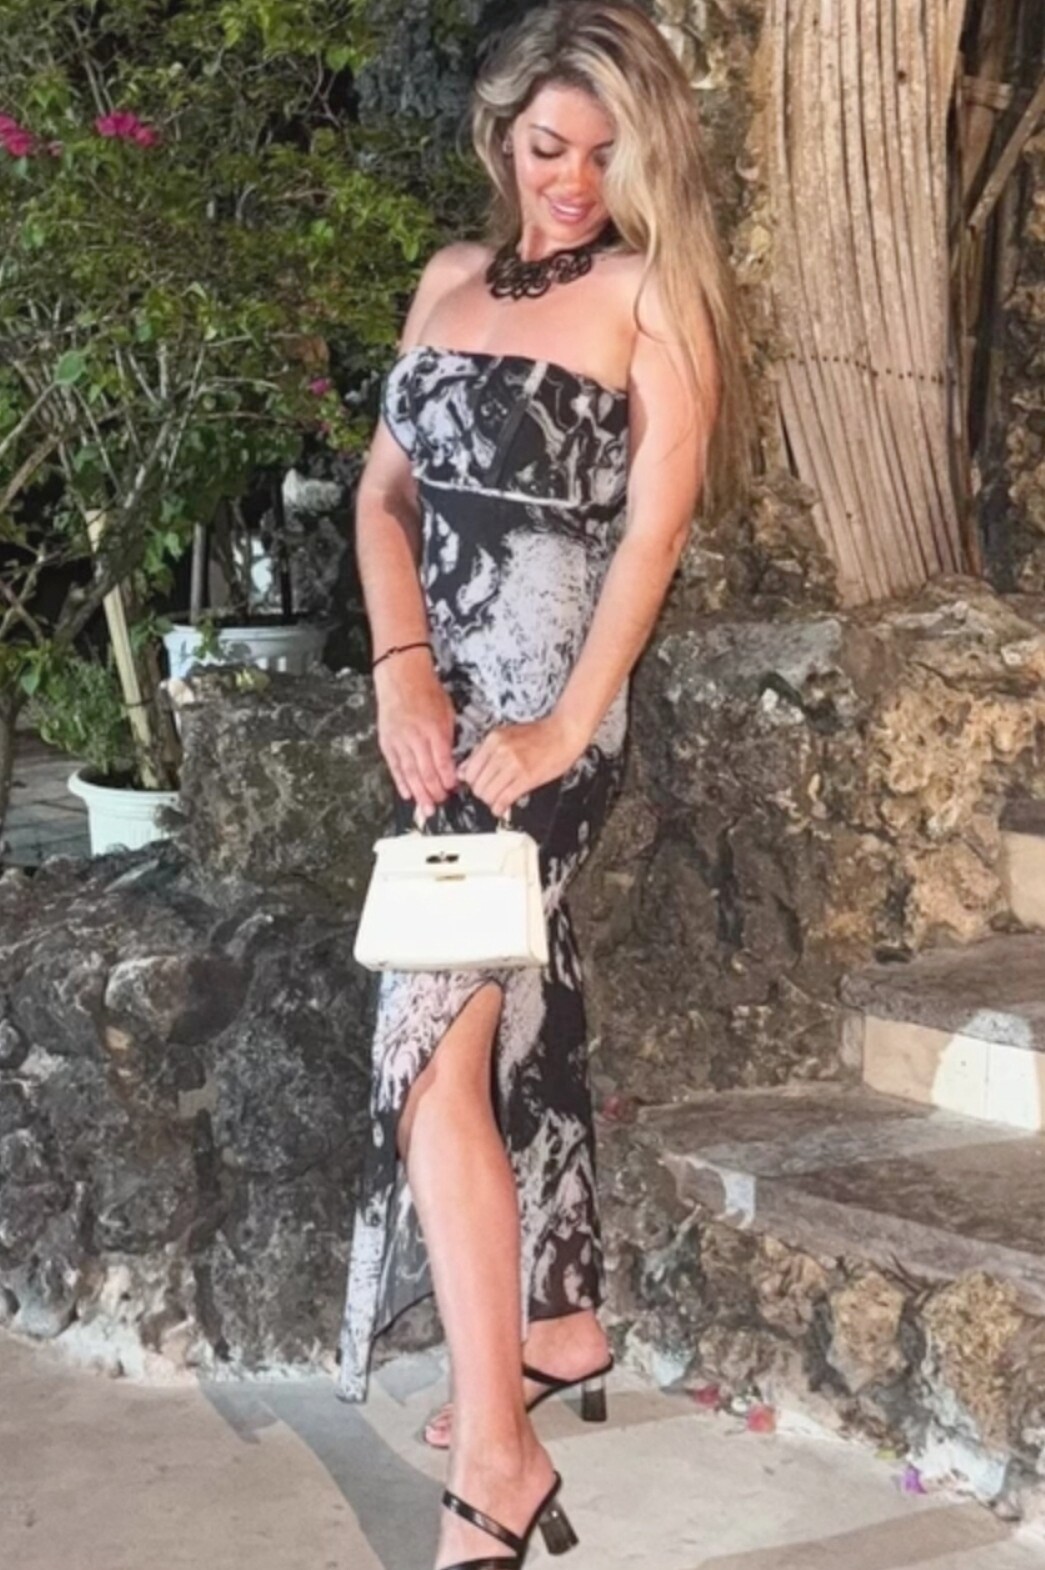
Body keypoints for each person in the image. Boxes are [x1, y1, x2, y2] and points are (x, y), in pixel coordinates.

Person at [338, 3, 755, 1565]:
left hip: (548, 720)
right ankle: (557, 1319)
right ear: (501, 134)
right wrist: (402, 669)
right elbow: (383, 498)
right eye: (546, 147)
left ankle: (497, 1458)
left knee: (424, 1045)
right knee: (511, 1003)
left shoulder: (651, 295)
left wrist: (568, 725)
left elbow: (651, 534)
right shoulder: (446, 277)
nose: (572, 181)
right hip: (437, 718)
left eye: (603, 154)